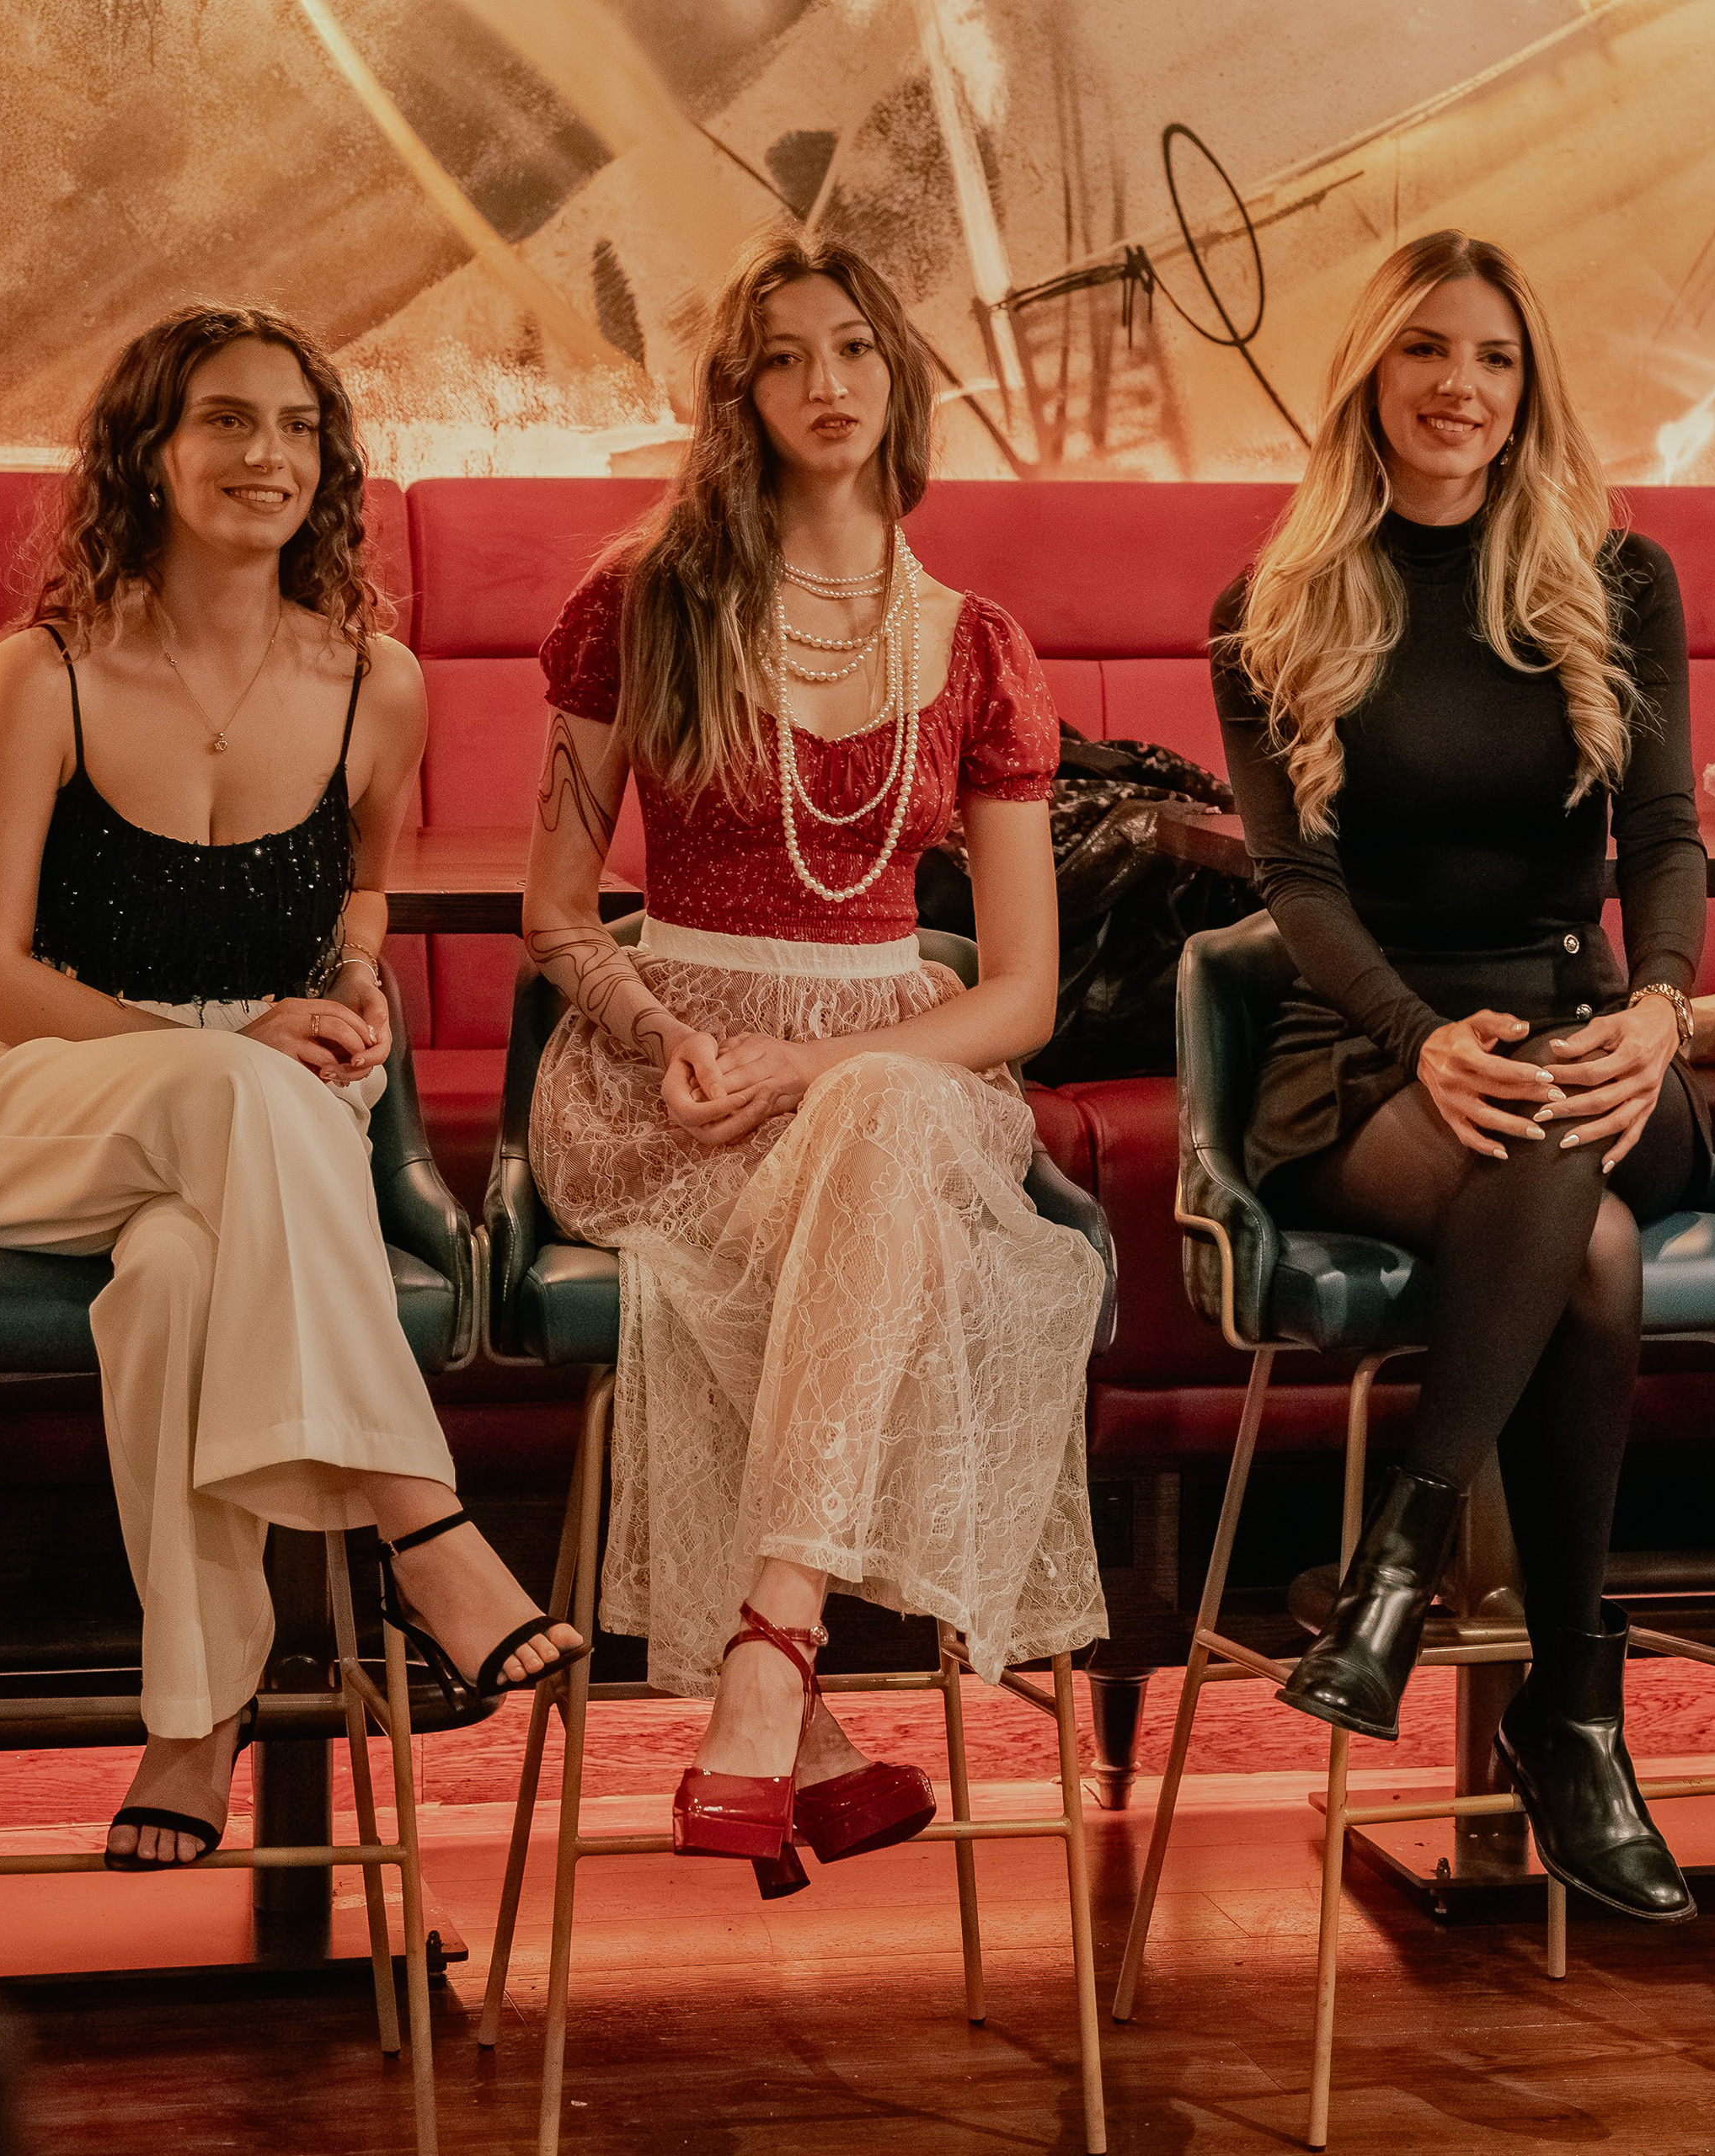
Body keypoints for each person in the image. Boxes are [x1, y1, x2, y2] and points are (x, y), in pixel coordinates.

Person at [0, 304, 582, 1870]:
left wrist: (353, 982)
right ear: (147, 452)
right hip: (33, 1097)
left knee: (176, 1282)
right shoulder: (45, 673)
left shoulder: (375, 686)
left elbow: (363, 895)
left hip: (263, 1123)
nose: (265, 456)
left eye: (297, 428)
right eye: (224, 419)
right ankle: (426, 1525)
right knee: (238, 1102)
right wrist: (217, 1051)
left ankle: (193, 1719)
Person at [521, 233, 1105, 1900]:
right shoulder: (638, 603)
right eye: (783, 357)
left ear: (898, 376)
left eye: (853, 347)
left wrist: (823, 1065)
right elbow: (556, 911)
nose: (826, 383)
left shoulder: (978, 646)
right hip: (672, 1077)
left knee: (884, 1109)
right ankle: (804, 1720)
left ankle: (772, 1667)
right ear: (740, 395)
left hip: (890, 1065)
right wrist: (671, 1035)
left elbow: (1023, 994)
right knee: (868, 1159)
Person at [1210, 229, 1704, 1923]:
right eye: (1426, 349)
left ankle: (1393, 1570)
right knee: (1597, 1254)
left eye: (1494, 357)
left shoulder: (1616, 578)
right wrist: (1419, 1035)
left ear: (1527, 387)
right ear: (1372, 374)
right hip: (1367, 1055)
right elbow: (1298, 890)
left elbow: (1666, 836)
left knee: (1563, 1121)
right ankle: (1575, 1715)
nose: (1460, 387)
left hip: (1592, 1037)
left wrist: (1663, 1004)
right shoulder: (1271, 607)